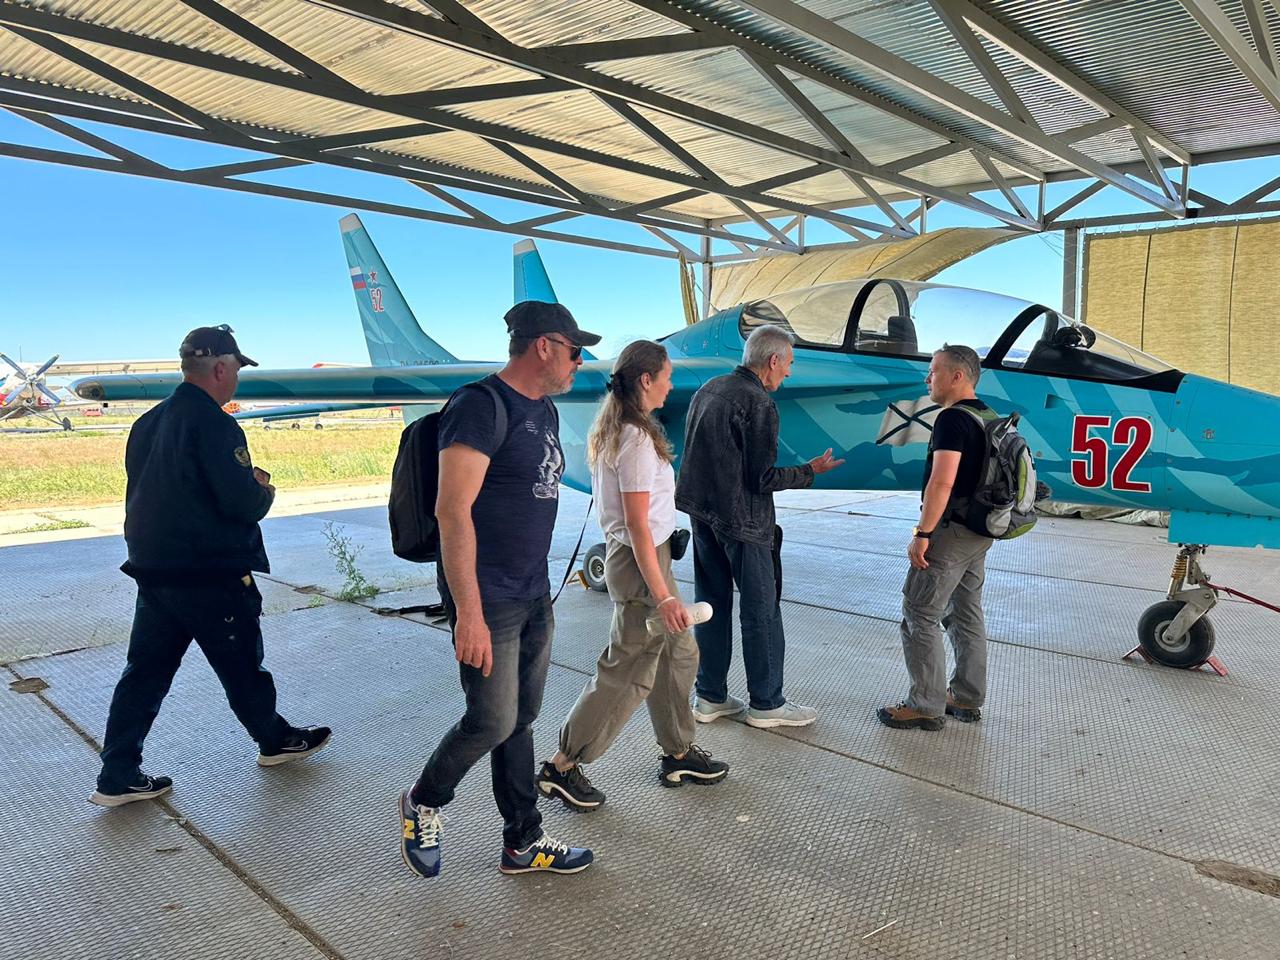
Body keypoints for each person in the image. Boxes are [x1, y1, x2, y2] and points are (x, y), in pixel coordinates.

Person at [399, 301, 601, 879]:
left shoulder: (545, 409)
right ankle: (423, 801)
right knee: (490, 719)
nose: (579, 362)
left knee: (521, 718)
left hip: (533, 589)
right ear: (544, 346)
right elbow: (452, 511)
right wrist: (468, 613)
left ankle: (523, 842)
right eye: (574, 350)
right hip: (488, 596)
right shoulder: (479, 406)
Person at [91, 325, 330, 808]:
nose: (237, 379)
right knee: (242, 666)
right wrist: (262, 488)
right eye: (236, 369)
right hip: (208, 573)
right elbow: (241, 502)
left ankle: (117, 773)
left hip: (154, 572)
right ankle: (274, 740)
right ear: (220, 368)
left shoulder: (147, 423)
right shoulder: (216, 424)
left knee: (144, 675)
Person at [536, 341, 729, 810]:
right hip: (641, 565)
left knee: (678, 654)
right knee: (628, 669)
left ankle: (679, 752)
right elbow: (638, 526)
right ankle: (563, 765)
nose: (670, 386)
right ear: (646, 380)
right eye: (666, 377)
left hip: (648, 560)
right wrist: (663, 596)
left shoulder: (622, 429)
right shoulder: (636, 440)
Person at [675, 324, 843, 729]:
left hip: (703, 516)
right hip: (744, 524)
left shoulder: (709, 389)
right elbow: (760, 479)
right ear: (772, 360)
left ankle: (710, 696)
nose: (788, 372)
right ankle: (767, 703)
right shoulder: (759, 403)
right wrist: (809, 471)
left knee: (711, 605)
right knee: (761, 611)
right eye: (788, 364)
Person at [878, 344, 993, 731]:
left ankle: (925, 704)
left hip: (951, 532)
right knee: (966, 612)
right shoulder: (988, 416)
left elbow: (942, 482)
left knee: (920, 613)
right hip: (979, 532)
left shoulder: (952, 420)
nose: (927, 378)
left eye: (934, 371)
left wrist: (922, 533)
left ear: (957, 376)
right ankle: (966, 696)